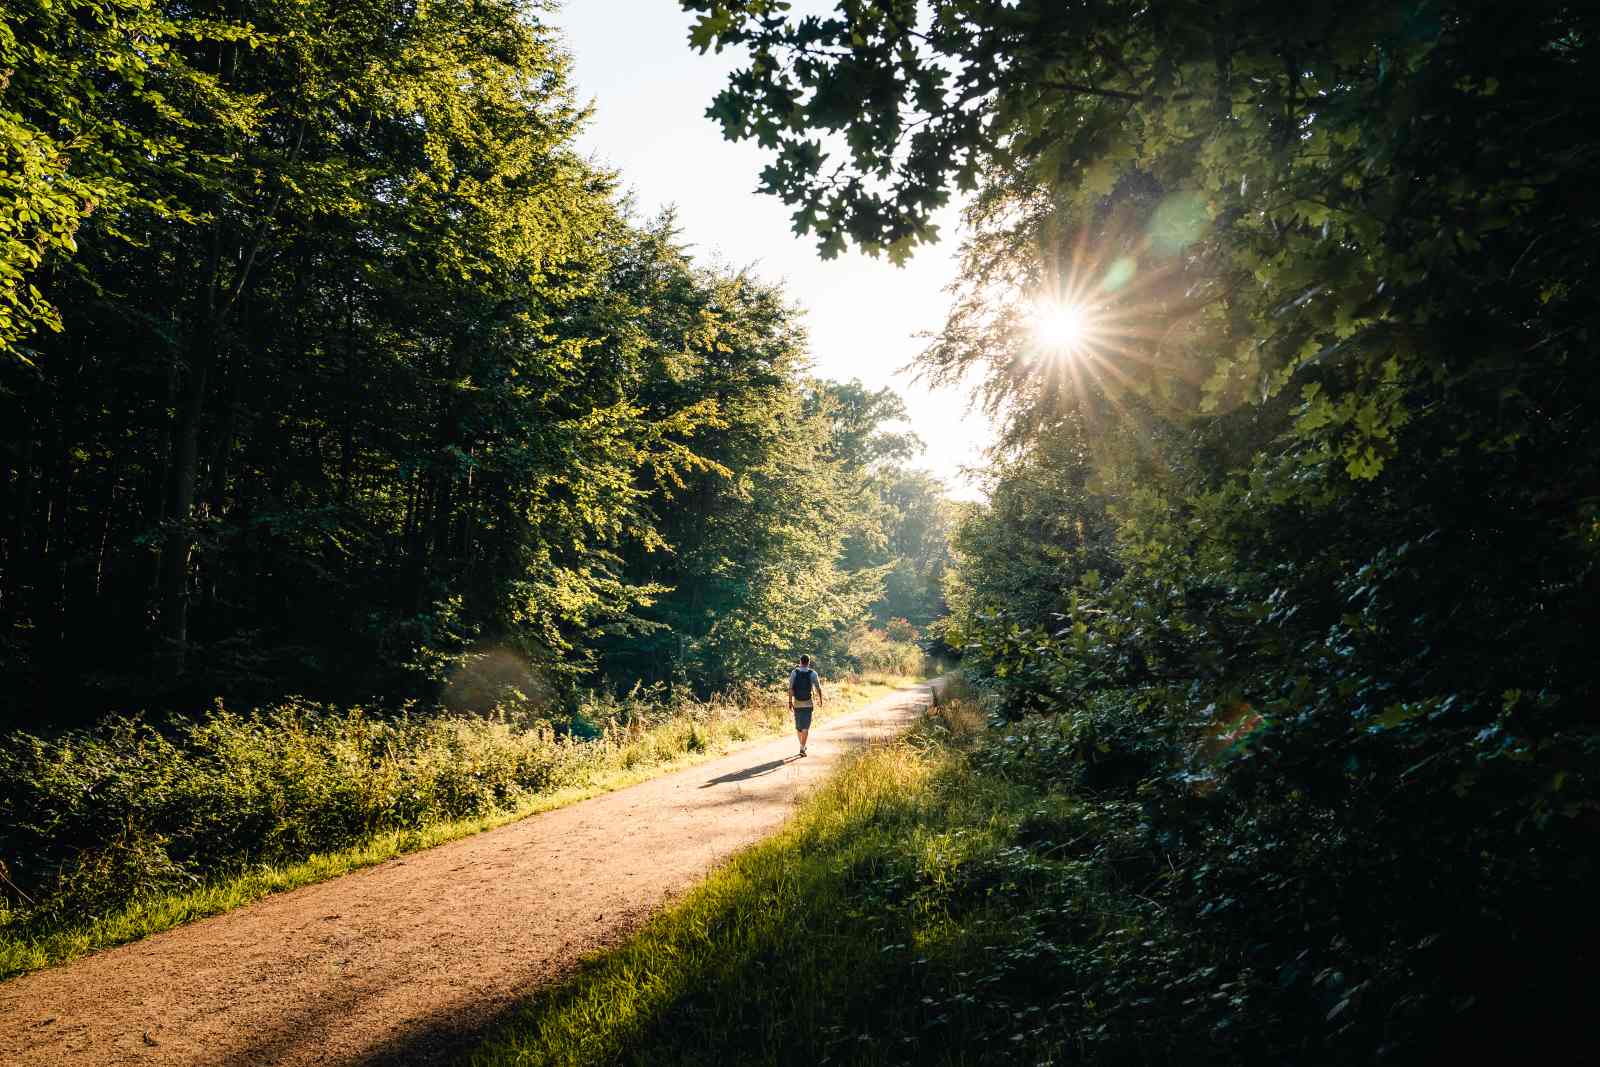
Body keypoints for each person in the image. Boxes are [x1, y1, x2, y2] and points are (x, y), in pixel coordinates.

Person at [787, 654, 823, 757]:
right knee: (805, 727)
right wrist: (820, 700)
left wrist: (790, 702)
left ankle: (802, 745)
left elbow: (790, 689)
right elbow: (818, 688)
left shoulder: (794, 672)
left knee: (798, 727)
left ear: (800, 661)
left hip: (797, 704)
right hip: (808, 704)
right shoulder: (813, 673)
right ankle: (802, 747)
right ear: (809, 662)